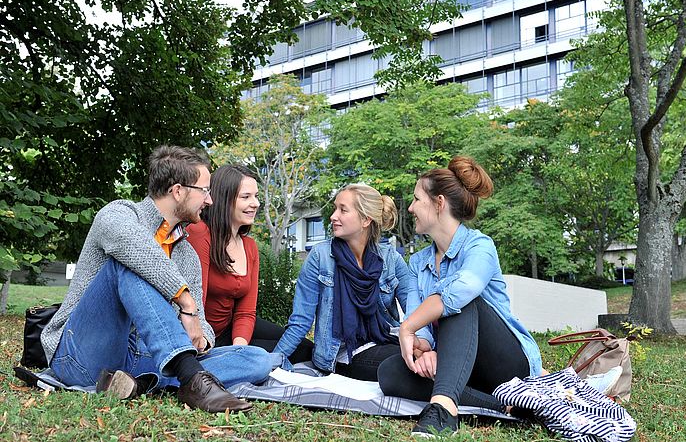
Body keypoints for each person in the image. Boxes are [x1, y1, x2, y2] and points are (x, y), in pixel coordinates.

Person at [40, 146, 275, 413]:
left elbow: (202, 324)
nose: (210, 200)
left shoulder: (187, 254)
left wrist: (203, 339)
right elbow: (136, 250)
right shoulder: (119, 214)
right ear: (178, 191)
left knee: (256, 359)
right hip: (81, 354)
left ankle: (141, 383)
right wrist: (185, 302)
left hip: (140, 357)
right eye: (204, 191)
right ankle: (190, 378)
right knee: (126, 264)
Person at [377, 156, 543, 437]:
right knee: (390, 372)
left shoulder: (480, 246)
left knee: (457, 303)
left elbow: (460, 292)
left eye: (417, 199)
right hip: (458, 362)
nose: (412, 208)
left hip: (506, 363)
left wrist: (407, 328)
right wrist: (425, 349)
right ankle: (505, 407)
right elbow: (421, 321)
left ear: (439, 203)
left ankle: (443, 411)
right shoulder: (419, 263)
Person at [273, 184, 415, 381]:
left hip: (385, 339)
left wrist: (428, 344)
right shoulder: (320, 257)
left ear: (366, 220)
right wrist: (273, 361)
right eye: (335, 208)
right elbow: (300, 321)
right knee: (410, 366)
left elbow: (415, 311)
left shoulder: (391, 259)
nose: (333, 216)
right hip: (342, 355)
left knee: (428, 359)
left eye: (343, 209)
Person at [187, 165, 313, 362]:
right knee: (264, 356)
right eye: (245, 197)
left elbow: (246, 311)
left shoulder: (250, 246)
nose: (255, 204)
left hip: (231, 331)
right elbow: (196, 304)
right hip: (202, 337)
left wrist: (239, 350)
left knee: (303, 347)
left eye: (255, 196)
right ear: (224, 199)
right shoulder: (200, 234)